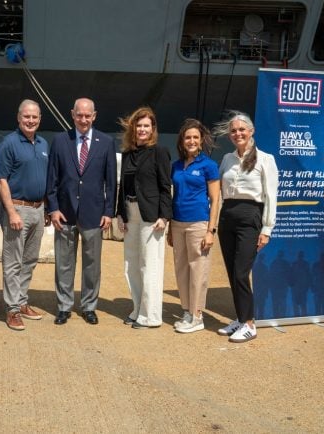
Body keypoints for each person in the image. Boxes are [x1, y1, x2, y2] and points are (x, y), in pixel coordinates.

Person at [46, 98, 117, 325]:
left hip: (94, 214)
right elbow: (52, 178)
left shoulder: (106, 142)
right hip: (65, 213)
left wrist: (109, 211)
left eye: (88, 115)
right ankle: (64, 306)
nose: (83, 120)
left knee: (91, 264)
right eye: (79, 115)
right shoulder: (59, 141)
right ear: (72, 114)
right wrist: (53, 208)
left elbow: (110, 182)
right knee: (64, 263)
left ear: (94, 116)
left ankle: (89, 306)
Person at [213, 111, 278, 343]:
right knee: (232, 272)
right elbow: (216, 189)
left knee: (241, 272)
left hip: (251, 216)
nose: (237, 133)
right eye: (233, 130)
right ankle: (241, 319)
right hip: (228, 216)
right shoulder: (227, 160)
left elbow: (271, 196)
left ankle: (250, 323)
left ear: (251, 131)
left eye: (242, 129)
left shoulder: (265, 159)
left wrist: (267, 229)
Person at [0, 99, 50, 331]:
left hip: (38, 209)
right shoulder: (9, 143)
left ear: (39, 119)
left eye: (34, 117)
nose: (30, 120)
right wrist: (11, 212)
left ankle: (22, 301)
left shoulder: (43, 143)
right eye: (26, 116)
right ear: (18, 118)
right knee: (13, 261)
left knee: (29, 260)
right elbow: (1, 180)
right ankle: (12, 309)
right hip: (17, 209)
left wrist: (45, 208)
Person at [116, 107, 172, 329]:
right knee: (131, 264)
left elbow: (165, 187)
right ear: (133, 128)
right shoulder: (128, 154)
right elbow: (123, 186)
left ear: (153, 129)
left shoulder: (160, 152)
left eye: (146, 126)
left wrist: (164, 216)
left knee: (150, 265)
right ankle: (138, 308)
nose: (142, 129)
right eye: (138, 125)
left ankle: (151, 316)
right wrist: (120, 213)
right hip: (130, 212)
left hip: (151, 216)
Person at [167, 118, 220, 334]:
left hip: (199, 223)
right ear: (182, 140)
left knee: (198, 269)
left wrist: (211, 230)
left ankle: (198, 315)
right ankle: (187, 310)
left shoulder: (209, 165)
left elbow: (216, 199)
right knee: (181, 269)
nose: (191, 141)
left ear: (201, 140)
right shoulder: (176, 166)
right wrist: (171, 227)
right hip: (178, 223)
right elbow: (173, 195)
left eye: (195, 137)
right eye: (187, 137)